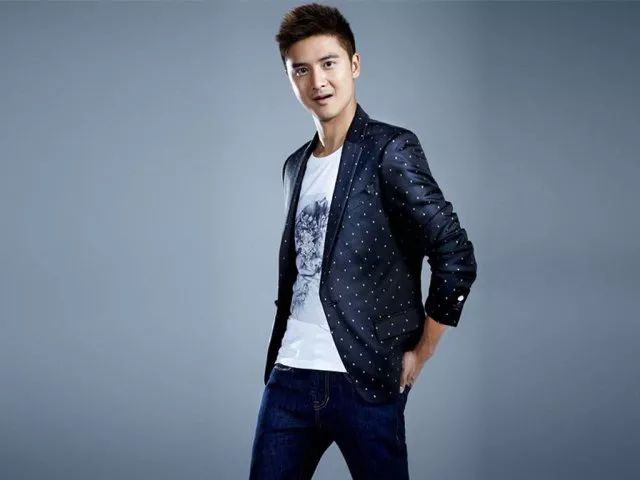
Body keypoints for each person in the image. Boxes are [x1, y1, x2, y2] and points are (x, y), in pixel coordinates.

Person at [249, 3, 478, 479]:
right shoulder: (294, 167)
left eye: (328, 63)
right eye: (301, 70)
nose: (318, 81)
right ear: (289, 79)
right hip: (289, 377)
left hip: (366, 379)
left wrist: (422, 351)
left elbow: (455, 255)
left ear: (354, 64)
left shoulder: (389, 149)